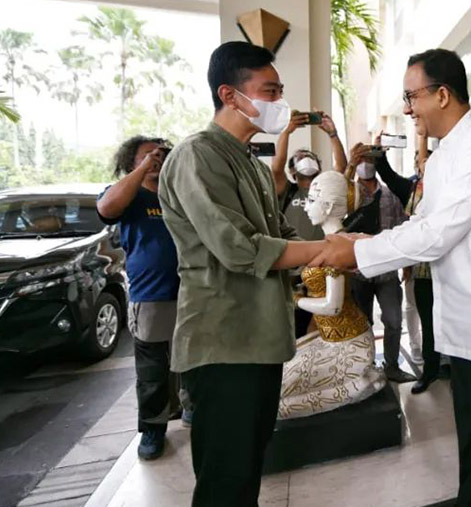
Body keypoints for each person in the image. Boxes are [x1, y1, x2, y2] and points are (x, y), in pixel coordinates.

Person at [311, 48, 471, 507]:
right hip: (466, 315)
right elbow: (423, 223)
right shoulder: (447, 152)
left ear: (442, 94)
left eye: (411, 96)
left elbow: (436, 235)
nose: (407, 107)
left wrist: (360, 254)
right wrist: (360, 243)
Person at [158, 42, 326, 506]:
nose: (278, 103)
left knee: (247, 466)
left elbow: (279, 229)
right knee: (225, 479)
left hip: (258, 340)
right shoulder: (198, 156)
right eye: (269, 91)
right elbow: (239, 248)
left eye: (280, 90)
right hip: (223, 342)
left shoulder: (249, 161)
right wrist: (327, 248)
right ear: (230, 95)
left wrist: (340, 247)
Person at [96, 135, 192, 461]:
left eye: (162, 154)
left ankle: (190, 406)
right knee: (152, 368)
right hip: (150, 294)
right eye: (147, 155)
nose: (157, 159)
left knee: (193, 356)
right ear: (131, 163)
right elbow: (107, 209)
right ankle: (153, 427)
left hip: (193, 291)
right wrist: (141, 171)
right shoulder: (129, 194)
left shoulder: (179, 195)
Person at [278, 171, 386, 419]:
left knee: (281, 399)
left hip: (349, 343)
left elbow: (333, 306)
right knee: (276, 379)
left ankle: (361, 381)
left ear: (328, 207)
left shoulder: (339, 246)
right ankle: (361, 380)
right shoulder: (329, 240)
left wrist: (295, 300)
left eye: (313, 201)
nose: (306, 206)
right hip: (328, 337)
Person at [371, 132, 441, 394]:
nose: (422, 165)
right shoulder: (413, 190)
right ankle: (430, 371)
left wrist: (422, 136)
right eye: (420, 162)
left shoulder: (452, 191)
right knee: (429, 323)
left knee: (451, 323)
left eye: (427, 162)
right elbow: (387, 174)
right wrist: (378, 151)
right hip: (424, 272)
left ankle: (455, 369)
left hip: (450, 271)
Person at [272, 113, 347, 338]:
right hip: (293, 272)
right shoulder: (288, 191)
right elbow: (276, 168)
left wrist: (332, 134)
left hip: (323, 266)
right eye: (300, 157)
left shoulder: (323, 189)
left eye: (308, 156)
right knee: (294, 328)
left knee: (319, 329)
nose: (305, 159)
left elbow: (340, 168)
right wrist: (286, 131)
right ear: (293, 170)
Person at [345, 144, 415, 383]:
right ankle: (365, 367)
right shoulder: (350, 194)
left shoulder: (390, 195)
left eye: (369, 159)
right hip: (357, 270)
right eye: (361, 159)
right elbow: (337, 203)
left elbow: (403, 228)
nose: (366, 163)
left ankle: (392, 366)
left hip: (386, 270)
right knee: (363, 323)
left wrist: (406, 263)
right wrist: (350, 164)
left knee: (394, 320)